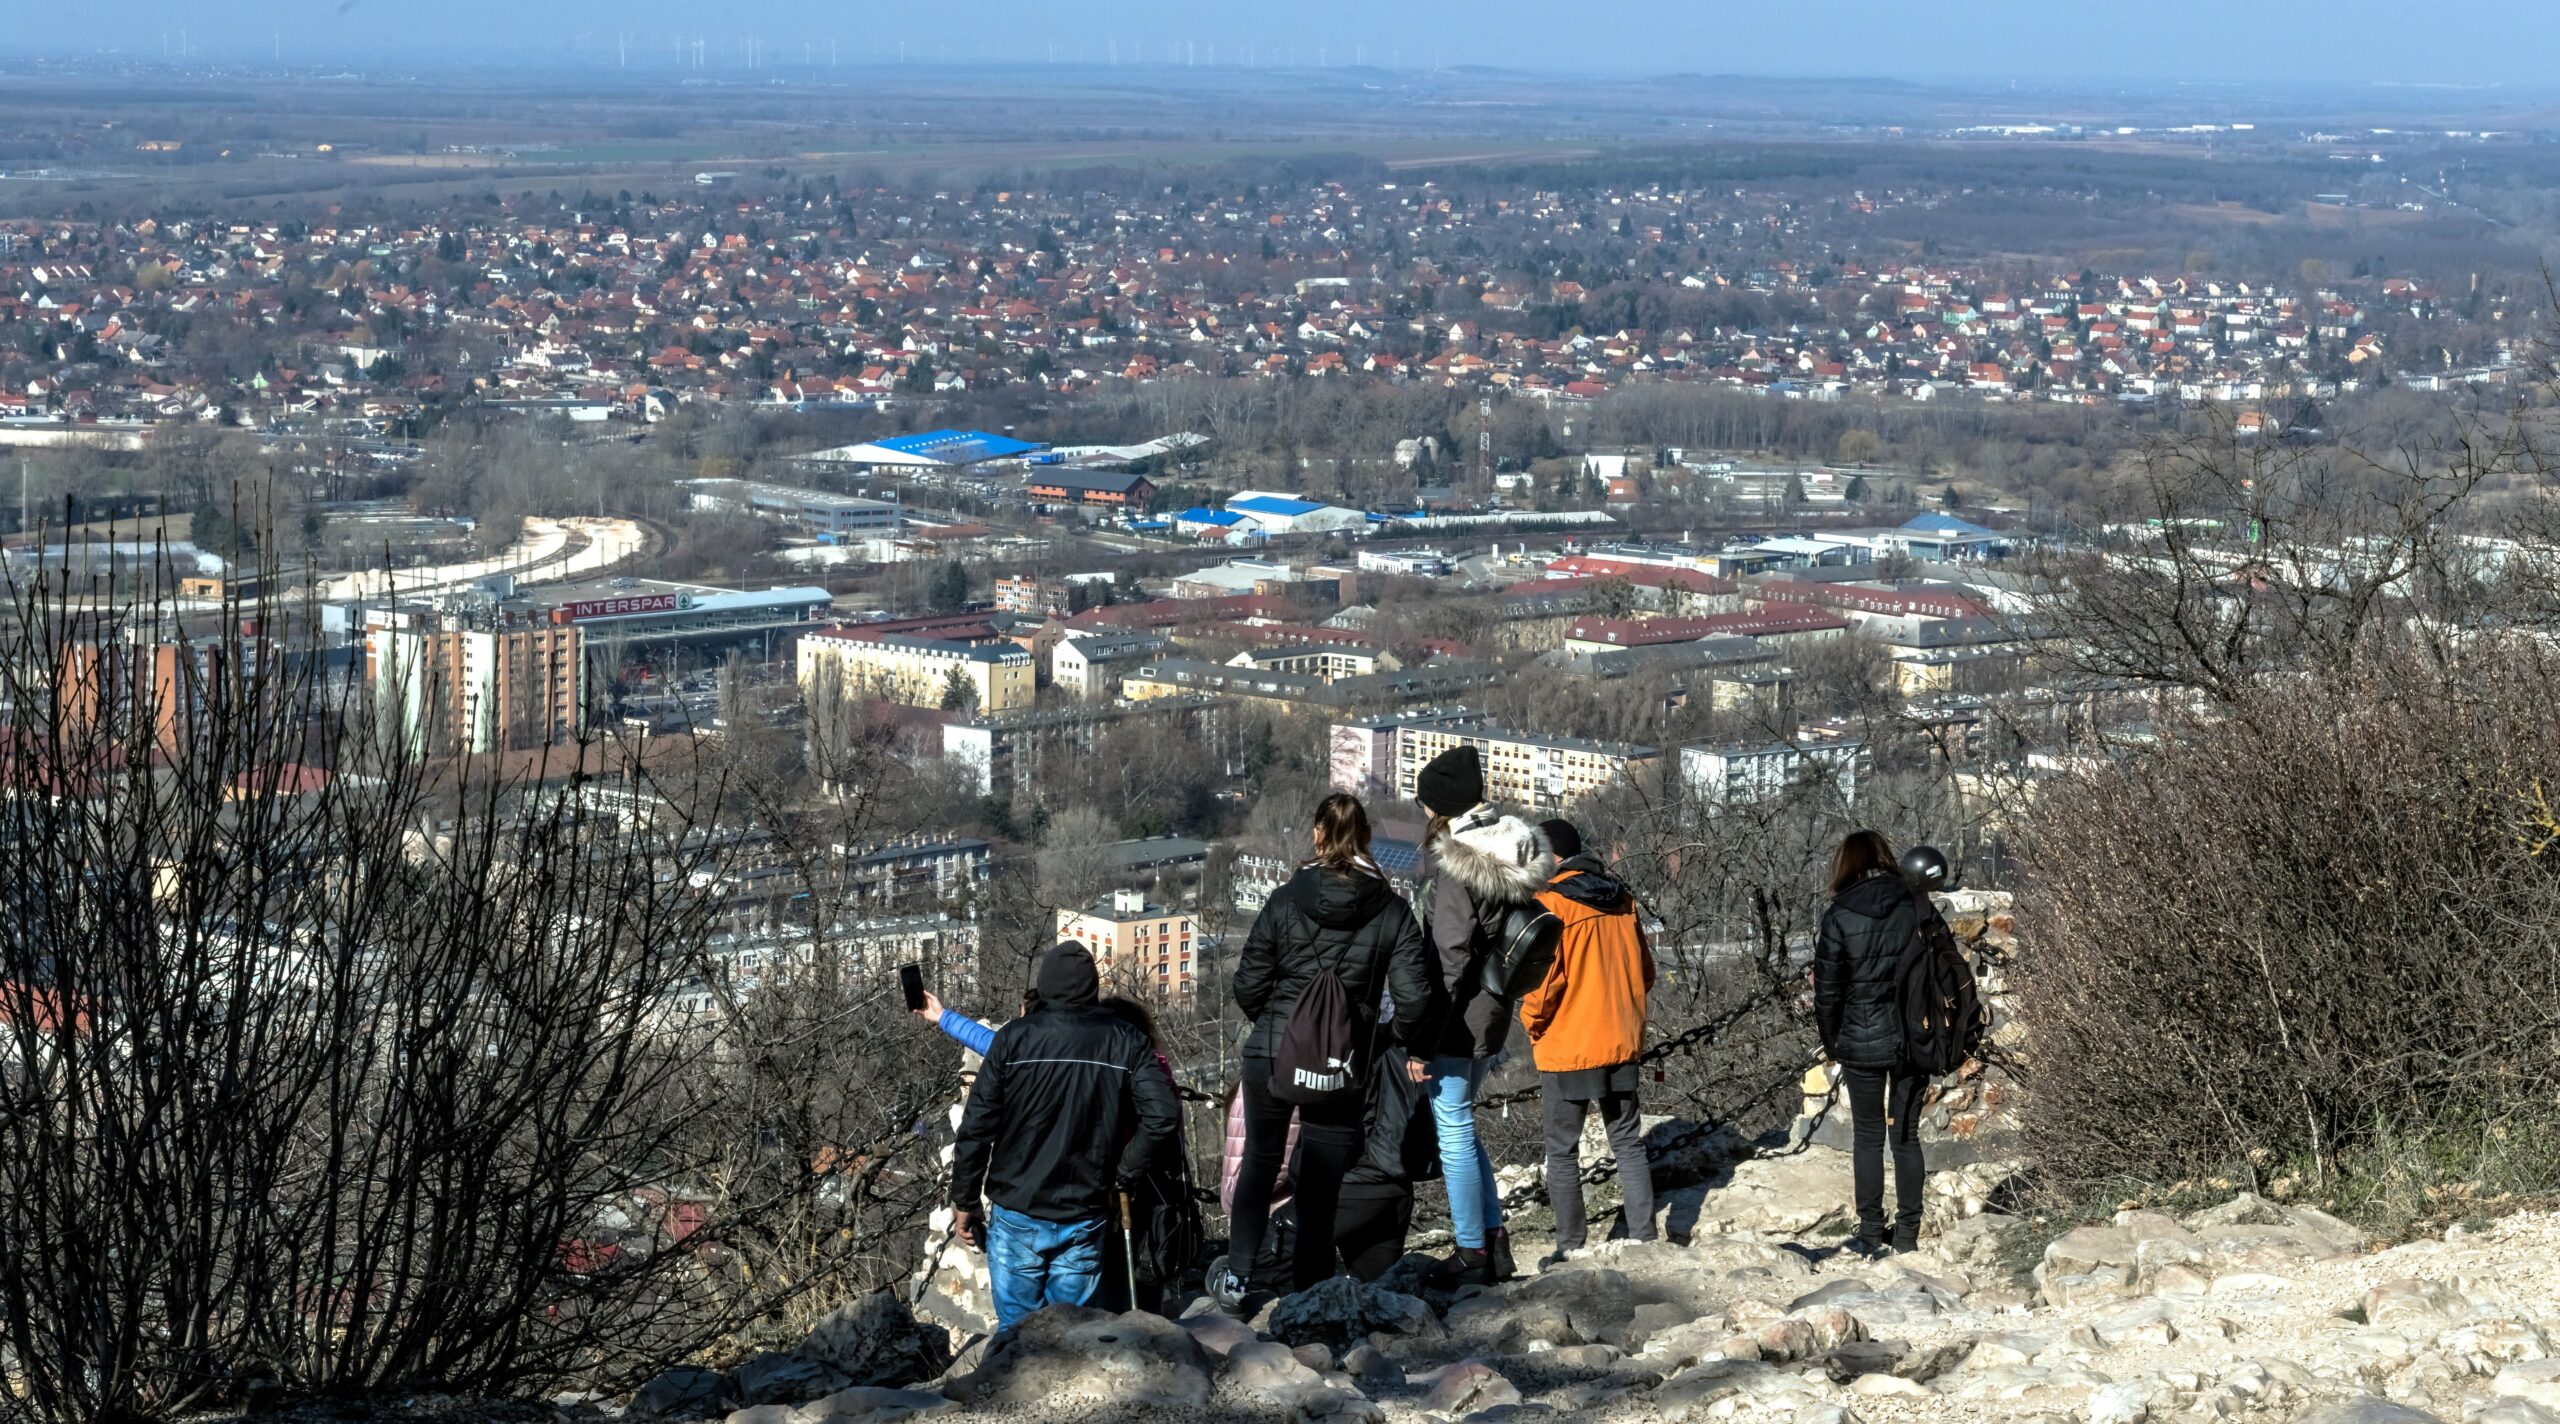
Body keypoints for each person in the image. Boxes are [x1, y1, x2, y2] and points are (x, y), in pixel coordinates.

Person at [1213, 792, 1437, 1309]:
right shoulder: (1393, 910)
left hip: (1272, 1052)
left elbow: (1249, 983)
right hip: (1343, 1060)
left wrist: (1276, 1026)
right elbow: (1415, 997)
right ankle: (1309, 1290)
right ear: (1364, 840)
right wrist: (1377, 1039)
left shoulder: (1285, 898)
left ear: (1317, 834)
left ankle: (1238, 1277)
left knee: (1260, 1162)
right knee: (1321, 1181)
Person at [950, 942, 1181, 1331]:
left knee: (1016, 1334)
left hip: (1017, 1205)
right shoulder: (1125, 1040)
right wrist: (1125, 1172)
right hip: (1085, 1208)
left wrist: (965, 1200)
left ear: (1045, 985)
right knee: (1072, 1333)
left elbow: (976, 1128)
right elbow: (1162, 1115)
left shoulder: (1013, 1040)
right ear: (1092, 989)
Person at [1413, 745, 1553, 1287]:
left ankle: (1471, 1249)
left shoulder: (1459, 865)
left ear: (1442, 807)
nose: (1425, 815)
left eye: (1427, 806)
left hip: (1458, 1015)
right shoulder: (1505, 848)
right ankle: (1494, 1241)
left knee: (1452, 1129)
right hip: (1494, 1009)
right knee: (1464, 1126)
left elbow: (1451, 956)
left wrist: (1423, 1036)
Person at [1519, 818, 1657, 1266]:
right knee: (1627, 1141)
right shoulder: (1624, 900)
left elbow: (1544, 982)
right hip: (1621, 1037)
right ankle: (1643, 1240)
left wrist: (1530, 1020)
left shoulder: (1551, 904)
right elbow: (1647, 972)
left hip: (1569, 1042)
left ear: (1551, 858)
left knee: (1562, 1149)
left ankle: (1571, 1247)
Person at [1239, 1024, 1440, 1289]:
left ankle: (1307, 1322)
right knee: (1380, 1296)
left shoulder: (1347, 1045)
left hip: (1350, 1185)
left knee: (1267, 1264)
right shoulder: (1409, 1041)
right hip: (1392, 1184)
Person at [1813, 829, 1932, 1257]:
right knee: (1906, 1136)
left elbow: (1828, 991)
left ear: (1844, 864)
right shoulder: (1916, 904)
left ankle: (1869, 1231)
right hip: (1912, 1038)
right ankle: (1908, 1234)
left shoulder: (1839, 915)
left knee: (1866, 1136)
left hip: (1860, 1040)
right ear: (1886, 857)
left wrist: (1833, 1041)